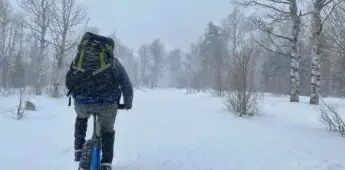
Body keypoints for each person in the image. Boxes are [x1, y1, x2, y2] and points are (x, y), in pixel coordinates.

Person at [65, 32, 133, 170]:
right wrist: (128, 102)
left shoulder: (79, 59)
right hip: (107, 103)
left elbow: (69, 81)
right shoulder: (113, 62)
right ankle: (106, 163)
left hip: (82, 102)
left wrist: (78, 95)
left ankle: (78, 149)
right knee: (107, 130)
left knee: (81, 118)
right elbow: (125, 83)